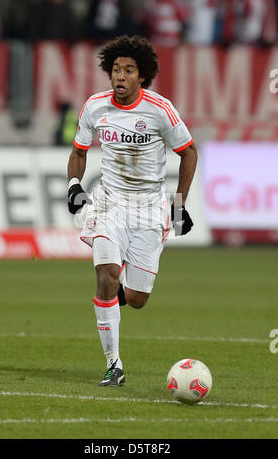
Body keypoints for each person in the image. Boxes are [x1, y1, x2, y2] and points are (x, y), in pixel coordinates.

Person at [67, 35, 197, 387]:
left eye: (128, 70)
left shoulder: (160, 110)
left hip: (150, 209)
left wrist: (180, 202)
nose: (119, 76)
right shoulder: (94, 107)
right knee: (107, 272)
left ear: (143, 76)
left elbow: (189, 152)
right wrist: (74, 186)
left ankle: (108, 301)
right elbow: (79, 151)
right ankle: (114, 363)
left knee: (137, 298)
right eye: (115, 70)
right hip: (110, 202)